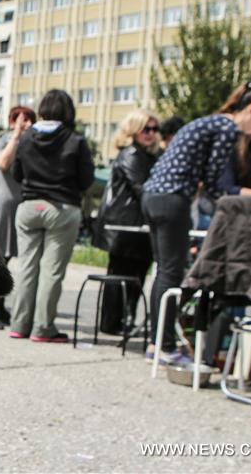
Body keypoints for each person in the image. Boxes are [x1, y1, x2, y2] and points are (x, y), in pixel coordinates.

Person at [142, 83, 251, 363]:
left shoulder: (212, 123)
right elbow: (221, 189)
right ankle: (164, 347)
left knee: (163, 273)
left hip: (152, 196)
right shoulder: (227, 129)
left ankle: (157, 343)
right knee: (171, 273)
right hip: (173, 199)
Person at [10, 90, 94, 342]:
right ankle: (43, 328)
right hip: (62, 208)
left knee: (26, 267)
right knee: (51, 271)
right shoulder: (75, 140)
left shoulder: (26, 138)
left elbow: (16, 174)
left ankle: (19, 325)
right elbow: (86, 179)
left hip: (29, 207)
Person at [92, 109, 161, 335]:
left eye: (154, 129)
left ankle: (124, 320)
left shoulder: (147, 155)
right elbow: (142, 188)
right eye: (146, 129)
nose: (151, 133)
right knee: (121, 276)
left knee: (135, 275)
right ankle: (113, 322)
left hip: (136, 225)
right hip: (124, 225)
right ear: (134, 129)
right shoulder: (131, 154)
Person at [0, 106, 36, 329]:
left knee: (7, 257)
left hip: (20, 205)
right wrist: (16, 136)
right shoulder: (2, 141)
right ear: (12, 122)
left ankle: (0, 307)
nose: (27, 124)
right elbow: (3, 163)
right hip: (2, 205)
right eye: (23, 120)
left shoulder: (31, 144)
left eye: (30, 120)